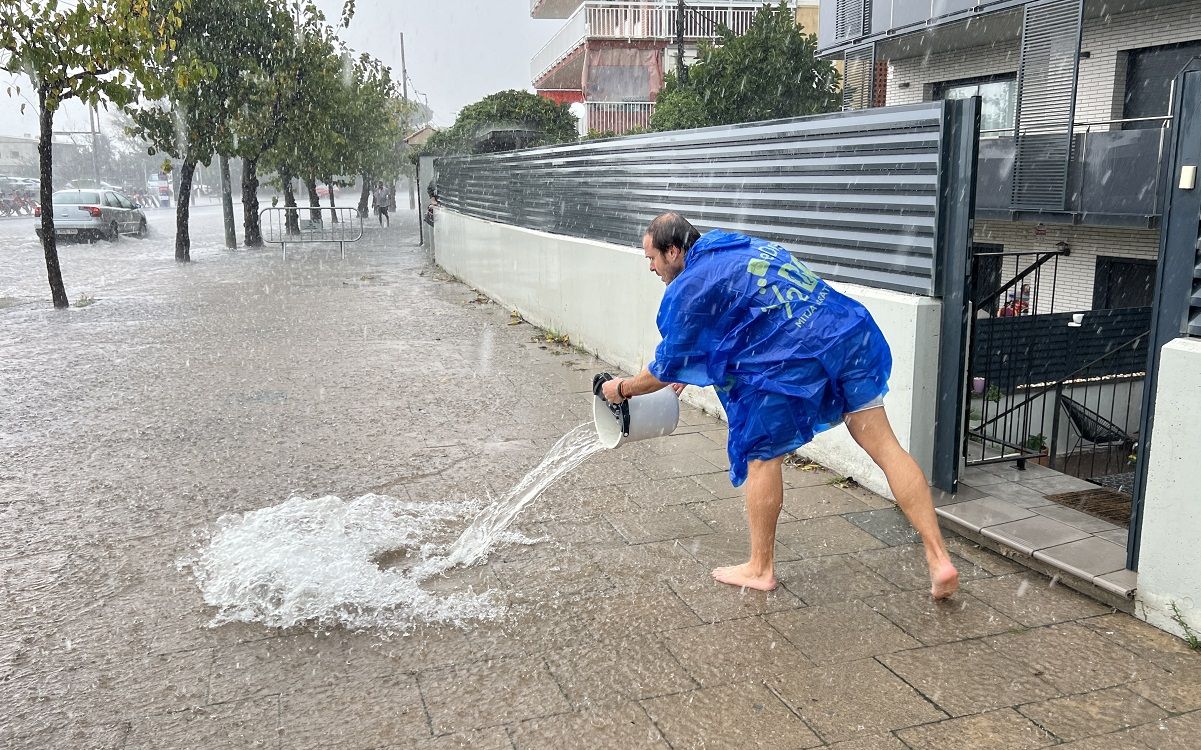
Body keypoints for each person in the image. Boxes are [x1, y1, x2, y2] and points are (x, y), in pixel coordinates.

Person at [601, 212, 959, 600]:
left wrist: (621, 389)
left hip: (799, 354)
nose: (651, 267)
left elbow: (663, 366)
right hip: (846, 332)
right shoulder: (732, 245)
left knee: (761, 455)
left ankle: (760, 568)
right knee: (886, 448)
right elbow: (739, 315)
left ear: (673, 251)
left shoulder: (690, 285)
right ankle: (939, 559)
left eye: (652, 258)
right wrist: (688, 371)